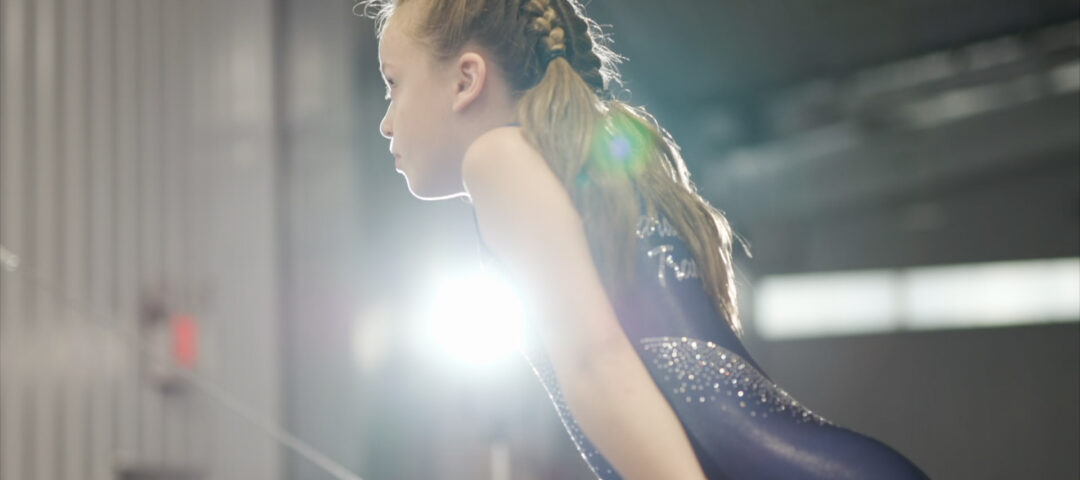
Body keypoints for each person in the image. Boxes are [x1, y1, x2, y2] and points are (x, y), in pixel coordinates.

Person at [363, 0, 932, 478]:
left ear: (466, 79)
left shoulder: (496, 159)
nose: (386, 121)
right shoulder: (570, 168)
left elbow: (597, 363)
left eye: (394, 83)